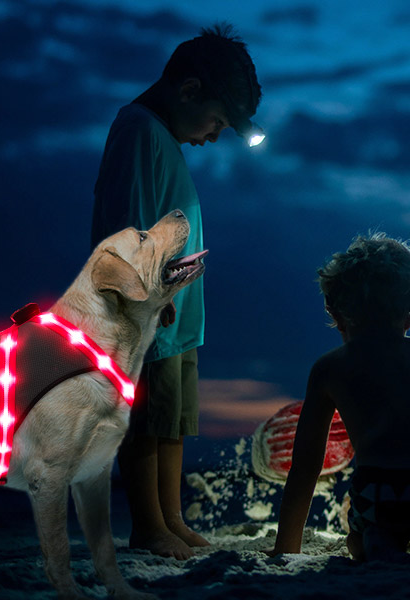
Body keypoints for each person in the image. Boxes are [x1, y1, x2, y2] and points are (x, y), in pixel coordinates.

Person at [91, 24, 262, 559]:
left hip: (178, 315)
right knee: (145, 418)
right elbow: (128, 227)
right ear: (188, 91)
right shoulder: (140, 130)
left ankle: (171, 517)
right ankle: (148, 525)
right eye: (216, 122)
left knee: (172, 418)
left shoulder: (162, 136)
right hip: (149, 312)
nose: (214, 136)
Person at [271, 233, 410, 567]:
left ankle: (379, 542)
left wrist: (285, 547)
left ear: (334, 311)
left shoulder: (331, 367)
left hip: (390, 491)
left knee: (359, 535)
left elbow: (305, 467)